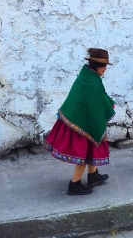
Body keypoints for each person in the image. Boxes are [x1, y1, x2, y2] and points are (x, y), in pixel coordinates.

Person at [45, 48, 115, 195]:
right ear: (98, 67)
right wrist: (108, 105)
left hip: (81, 118)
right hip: (81, 122)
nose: (106, 70)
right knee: (84, 154)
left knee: (91, 149)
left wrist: (107, 102)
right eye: (105, 67)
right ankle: (74, 184)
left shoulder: (87, 75)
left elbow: (99, 97)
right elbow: (96, 99)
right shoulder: (93, 81)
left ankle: (93, 176)